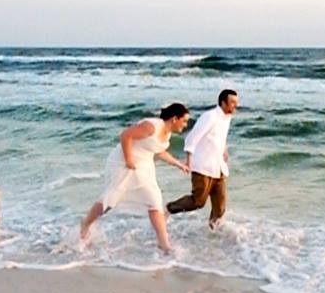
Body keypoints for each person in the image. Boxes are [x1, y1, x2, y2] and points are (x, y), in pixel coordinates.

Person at [80, 103, 190, 252]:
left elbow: (159, 152)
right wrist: (128, 159)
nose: (185, 125)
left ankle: (164, 244)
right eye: (184, 121)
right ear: (175, 118)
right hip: (123, 163)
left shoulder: (167, 133)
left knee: (155, 201)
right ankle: (85, 224)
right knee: (111, 199)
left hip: (143, 167)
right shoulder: (152, 126)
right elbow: (126, 135)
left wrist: (179, 164)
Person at [166, 89, 238, 229]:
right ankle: (169, 208)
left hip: (218, 167)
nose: (235, 106)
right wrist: (188, 161)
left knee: (220, 208)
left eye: (236, 103)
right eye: (232, 103)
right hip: (203, 166)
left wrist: (224, 149)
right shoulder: (210, 117)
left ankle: (213, 236)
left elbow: (220, 136)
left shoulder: (227, 117)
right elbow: (191, 138)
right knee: (198, 202)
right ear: (223, 103)